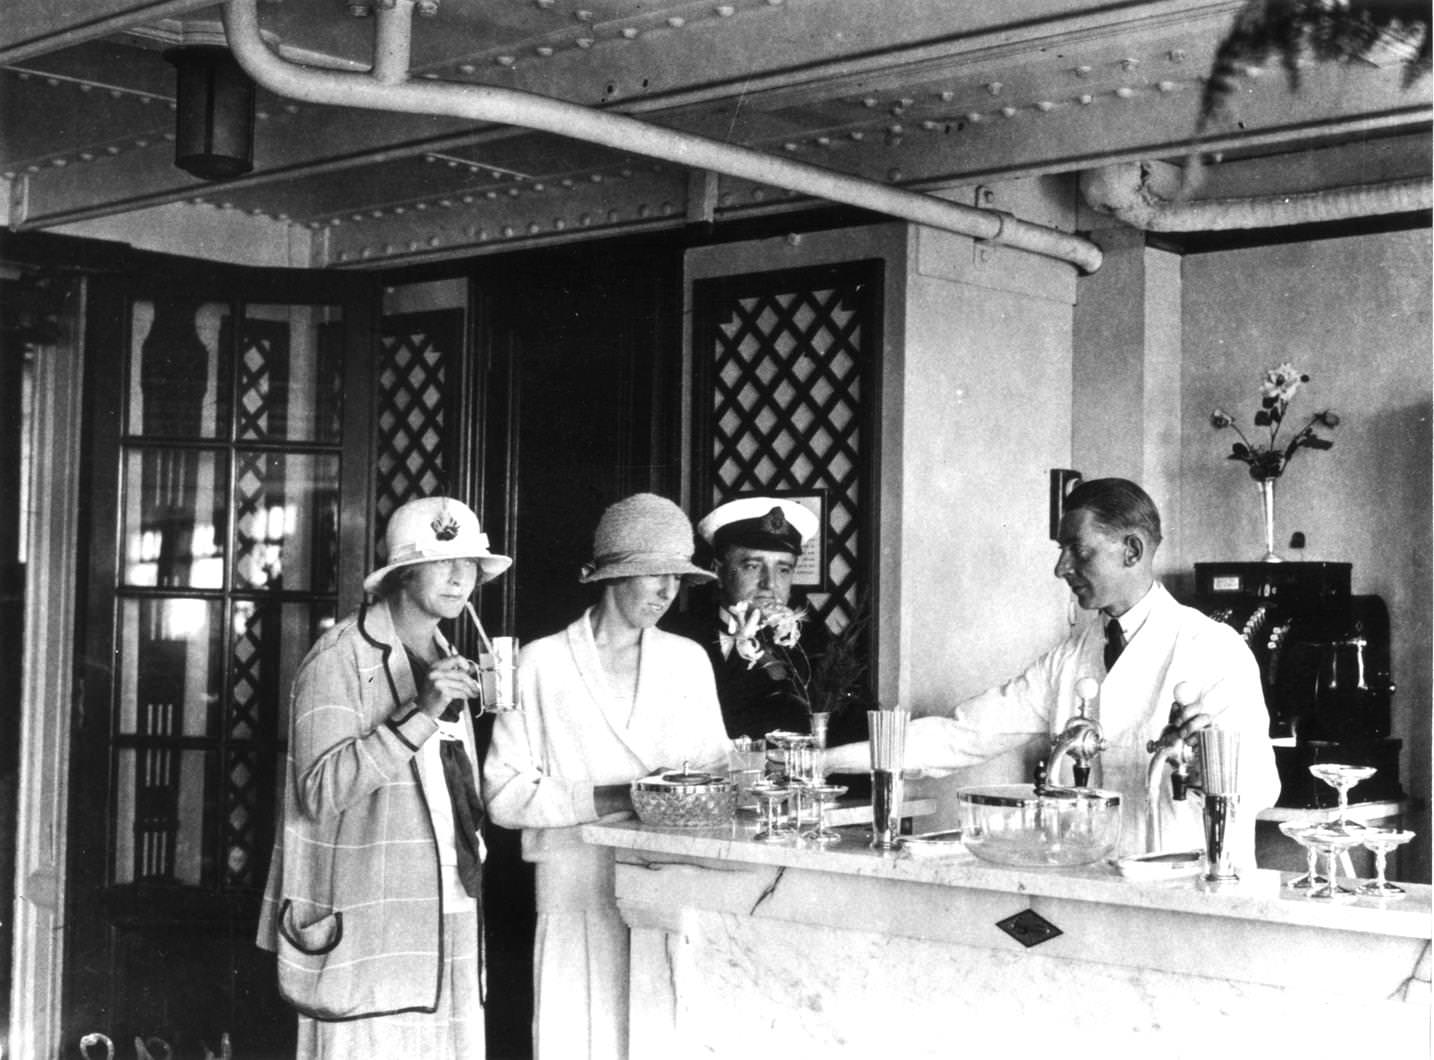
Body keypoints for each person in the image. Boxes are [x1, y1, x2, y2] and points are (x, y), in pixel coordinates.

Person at [824, 477, 1281, 862]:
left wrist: (1202, 766)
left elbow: (1261, 787)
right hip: (1096, 882)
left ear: (1132, 550)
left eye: (1077, 551)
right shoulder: (1072, 656)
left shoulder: (1212, 649)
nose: (1061, 567)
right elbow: (959, 735)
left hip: (1185, 888)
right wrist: (818, 761)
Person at [257, 495, 510, 1058]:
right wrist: (419, 713)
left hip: (451, 911)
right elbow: (319, 792)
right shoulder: (340, 657)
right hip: (372, 925)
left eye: (468, 564)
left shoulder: (449, 656)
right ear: (400, 572)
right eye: (442, 562)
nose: (457, 577)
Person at [483, 493, 731, 1060]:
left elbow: (717, 781)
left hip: (669, 887)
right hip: (574, 888)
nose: (668, 592)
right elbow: (504, 794)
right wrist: (622, 795)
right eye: (654, 575)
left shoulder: (687, 659)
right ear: (612, 577)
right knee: (577, 1039)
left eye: (677, 577)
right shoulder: (539, 663)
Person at [664, 496, 829, 741]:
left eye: (783, 569)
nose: (769, 583)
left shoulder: (815, 639)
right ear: (718, 571)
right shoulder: (674, 635)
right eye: (753, 566)